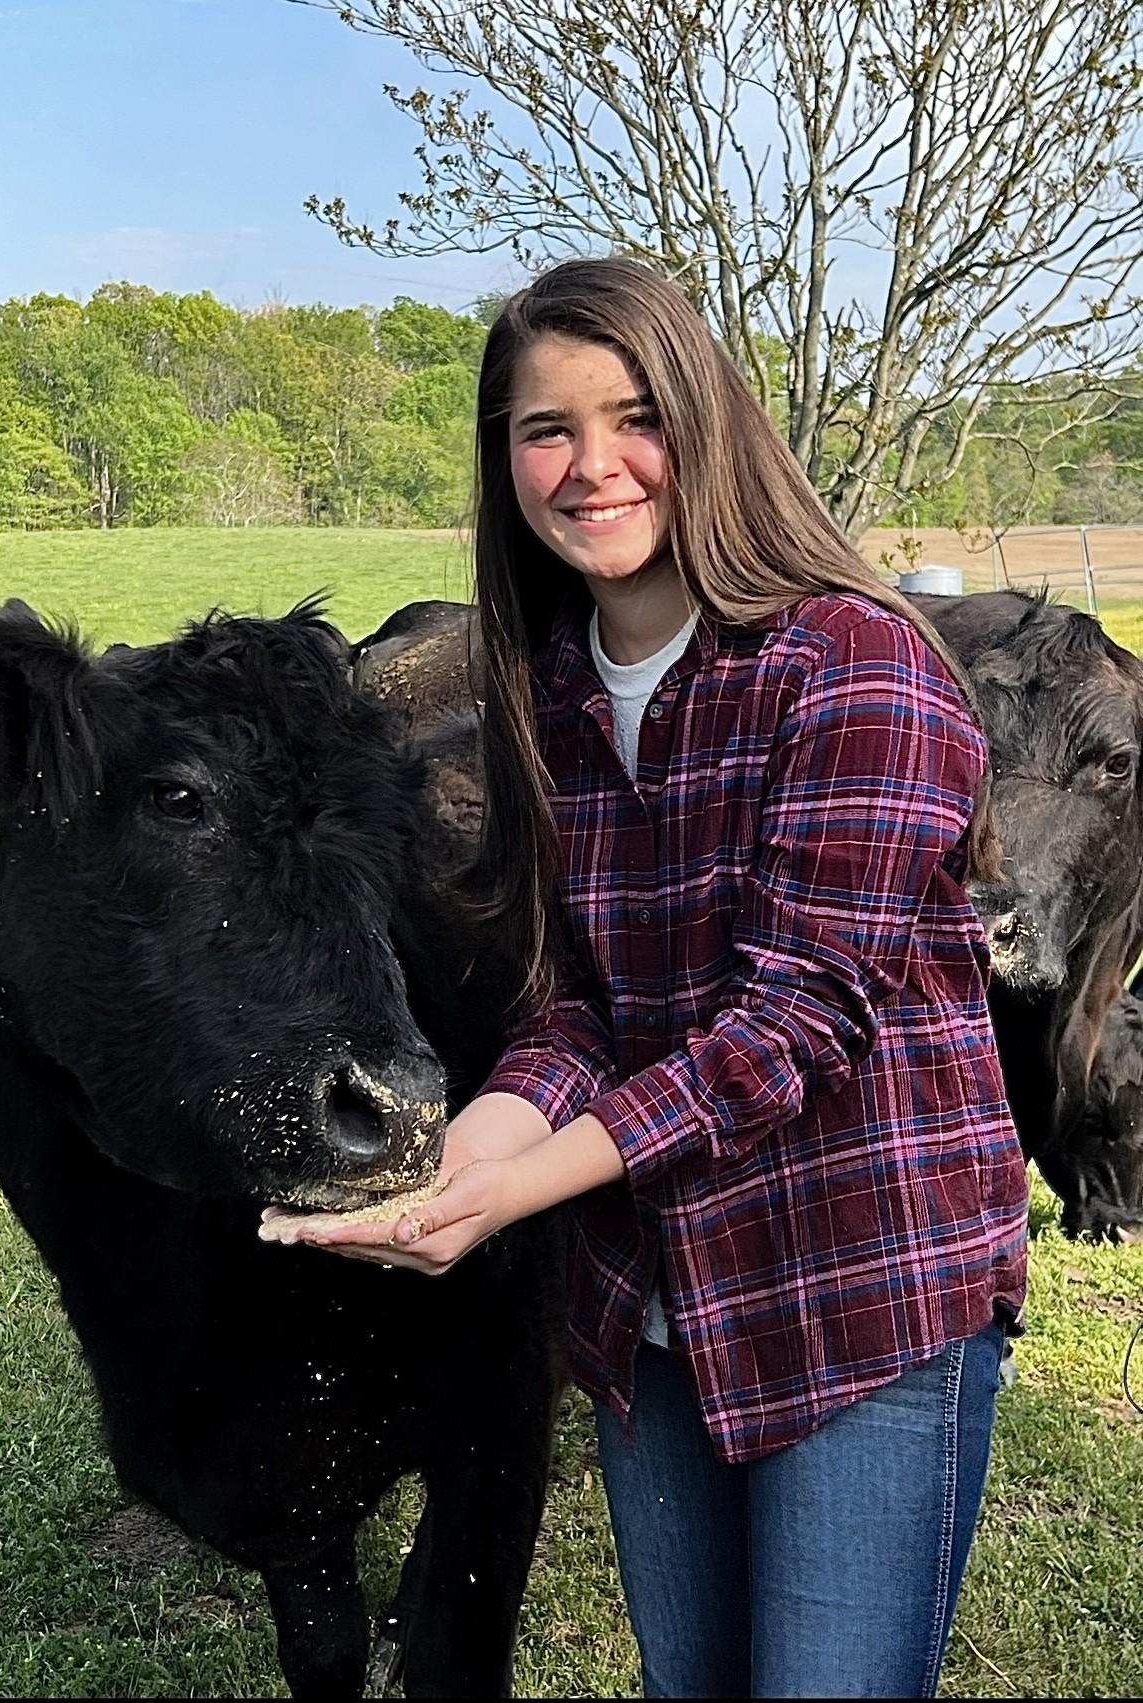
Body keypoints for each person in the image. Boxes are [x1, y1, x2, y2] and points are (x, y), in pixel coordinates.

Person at [296, 257, 1029, 1699]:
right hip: (651, 1296)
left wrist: (516, 1192)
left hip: (856, 1289)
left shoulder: (852, 666)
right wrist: (465, 1158)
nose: (589, 467)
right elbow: (578, 1005)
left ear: (704, 418)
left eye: (631, 416)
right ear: (502, 456)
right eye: (542, 429)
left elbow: (790, 1023)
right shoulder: (554, 692)